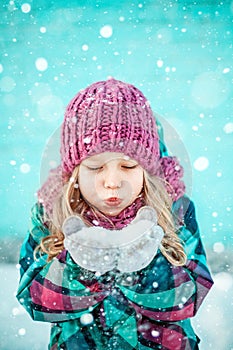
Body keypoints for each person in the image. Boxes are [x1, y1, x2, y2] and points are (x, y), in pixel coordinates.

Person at [17, 78, 213, 350]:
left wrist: (146, 268)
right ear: (75, 172)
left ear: (147, 170)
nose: (112, 182)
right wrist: (81, 270)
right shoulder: (51, 213)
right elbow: (34, 298)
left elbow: (192, 294)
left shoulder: (174, 208)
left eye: (128, 166)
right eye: (96, 167)